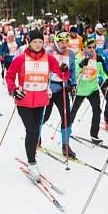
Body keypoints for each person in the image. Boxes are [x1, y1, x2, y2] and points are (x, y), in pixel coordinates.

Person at [5, 29, 65, 181]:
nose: (38, 45)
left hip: (40, 101)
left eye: (40, 42)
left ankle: (31, 150)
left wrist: (64, 70)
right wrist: (13, 89)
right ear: (29, 42)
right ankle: (32, 163)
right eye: (35, 42)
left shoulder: (49, 58)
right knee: (31, 130)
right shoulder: (20, 59)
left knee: (35, 131)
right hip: (24, 101)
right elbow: (10, 76)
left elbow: (62, 75)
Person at [42, 31, 78, 159]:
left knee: (66, 118)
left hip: (62, 89)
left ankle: (65, 145)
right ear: (56, 41)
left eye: (66, 41)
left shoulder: (71, 53)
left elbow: (72, 70)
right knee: (45, 116)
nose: (64, 44)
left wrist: (73, 84)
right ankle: (37, 137)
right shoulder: (49, 51)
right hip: (49, 89)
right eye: (61, 42)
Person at [70, 37, 108, 144]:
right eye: (89, 47)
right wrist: (81, 65)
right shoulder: (78, 56)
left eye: (94, 47)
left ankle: (94, 135)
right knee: (73, 111)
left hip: (92, 88)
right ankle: (67, 129)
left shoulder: (98, 58)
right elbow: (74, 72)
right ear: (84, 47)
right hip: (80, 89)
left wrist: (106, 79)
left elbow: (103, 72)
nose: (92, 49)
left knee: (97, 111)